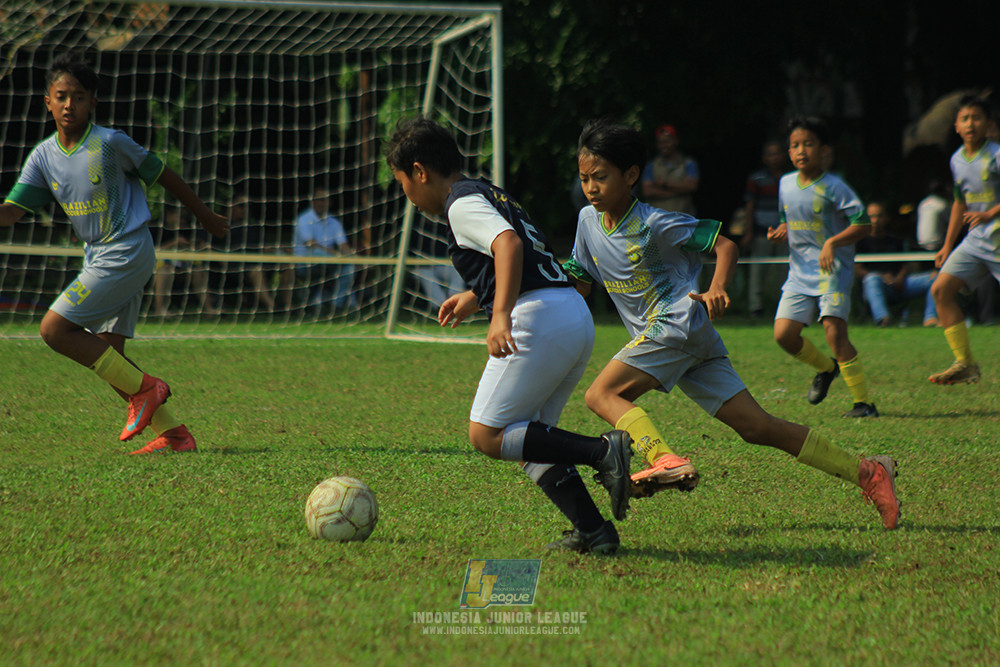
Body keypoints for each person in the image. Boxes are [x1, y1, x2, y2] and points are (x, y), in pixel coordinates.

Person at [563, 118, 899, 531]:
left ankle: (663, 458)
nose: (591, 187)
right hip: (685, 337)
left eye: (600, 177)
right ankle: (868, 472)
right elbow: (578, 279)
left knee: (601, 394)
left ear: (631, 175)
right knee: (757, 427)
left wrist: (717, 287)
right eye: (585, 178)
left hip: (675, 323)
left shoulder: (654, 223)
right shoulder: (587, 222)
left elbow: (725, 245)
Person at [384, 116, 632, 554]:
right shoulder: (486, 191)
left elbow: (508, 245)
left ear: (419, 172)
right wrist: (475, 296)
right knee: (528, 439)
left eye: (402, 182)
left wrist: (499, 315)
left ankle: (602, 452)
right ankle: (594, 531)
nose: (407, 195)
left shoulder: (459, 204)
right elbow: (524, 254)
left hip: (540, 318)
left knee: (486, 434)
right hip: (570, 313)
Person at [0, 53, 228, 454]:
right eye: (61, 96)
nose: (69, 104)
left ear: (93, 103)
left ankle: (149, 389)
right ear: (47, 102)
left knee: (54, 330)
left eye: (79, 97)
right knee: (110, 355)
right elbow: (10, 213)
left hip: (126, 250)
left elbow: (162, 174)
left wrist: (205, 215)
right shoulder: (43, 157)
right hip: (98, 256)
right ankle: (176, 436)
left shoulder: (109, 143)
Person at [768, 116, 877, 418]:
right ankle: (827, 368)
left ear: (824, 150)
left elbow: (863, 224)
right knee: (783, 335)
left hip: (833, 271)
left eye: (808, 144)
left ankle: (864, 405)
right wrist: (782, 231)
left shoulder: (834, 186)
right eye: (795, 145)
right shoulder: (785, 184)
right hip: (799, 272)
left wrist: (832, 242)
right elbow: (787, 219)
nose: (801, 150)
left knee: (834, 333)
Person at [927, 95, 1000, 385]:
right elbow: (960, 202)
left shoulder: (996, 154)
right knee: (940, 290)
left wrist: (990, 213)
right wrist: (947, 245)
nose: (971, 124)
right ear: (956, 126)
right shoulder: (957, 159)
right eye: (965, 118)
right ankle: (965, 363)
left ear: (989, 123)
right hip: (976, 240)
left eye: (976, 118)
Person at [855, 201, 938, 327]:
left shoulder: (896, 240)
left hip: (900, 283)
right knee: (871, 279)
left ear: (886, 218)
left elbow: (906, 264)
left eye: (879, 216)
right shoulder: (860, 242)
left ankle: (931, 318)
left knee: (936, 278)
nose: (875, 220)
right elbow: (857, 269)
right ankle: (883, 319)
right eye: (872, 216)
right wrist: (882, 277)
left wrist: (900, 277)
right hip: (876, 286)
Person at [741, 139, 790, 318]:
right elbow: (750, 206)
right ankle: (756, 307)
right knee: (758, 270)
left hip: (786, 233)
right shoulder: (756, 179)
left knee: (784, 271)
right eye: (770, 154)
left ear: (783, 156)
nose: (774, 157)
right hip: (762, 231)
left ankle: (784, 306)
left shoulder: (790, 178)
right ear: (764, 158)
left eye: (776, 153)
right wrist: (749, 231)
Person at [292, 188, 356, 316]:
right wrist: (336, 254)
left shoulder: (334, 222)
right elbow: (311, 245)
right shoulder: (303, 219)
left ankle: (336, 305)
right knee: (318, 255)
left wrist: (354, 257)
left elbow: (343, 245)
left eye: (325, 200)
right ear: (312, 201)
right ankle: (315, 301)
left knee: (349, 267)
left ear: (329, 202)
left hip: (329, 261)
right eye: (319, 199)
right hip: (305, 264)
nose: (321, 203)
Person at [151, 205, 218, 317]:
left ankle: (208, 308)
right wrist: (173, 243)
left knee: (198, 270)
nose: (183, 220)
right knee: (164, 270)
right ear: (169, 214)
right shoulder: (156, 228)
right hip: (158, 266)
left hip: (183, 266)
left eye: (184, 217)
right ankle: (159, 309)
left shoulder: (186, 228)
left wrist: (198, 246)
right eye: (180, 216)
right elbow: (151, 251)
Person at [640, 124, 699, 215]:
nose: (663, 145)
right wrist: (679, 190)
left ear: (676, 141)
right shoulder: (651, 166)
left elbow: (691, 186)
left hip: (683, 217)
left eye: (667, 141)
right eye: (660, 142)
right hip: (658, 218)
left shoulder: (688, 163)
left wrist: (664, 184)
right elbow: (647, 191)